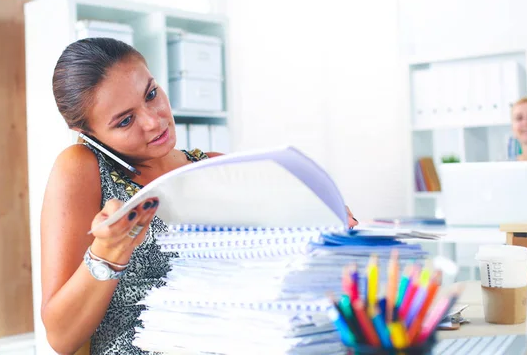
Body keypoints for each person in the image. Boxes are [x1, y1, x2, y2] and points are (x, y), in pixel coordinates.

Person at [40, 37, 359, 354]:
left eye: (151, 94)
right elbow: (61, 338)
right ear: (90, 135)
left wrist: (322, 224)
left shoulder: (216, 166)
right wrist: (107, 252)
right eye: (125, 121)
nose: (153, 121)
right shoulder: (81, 167)